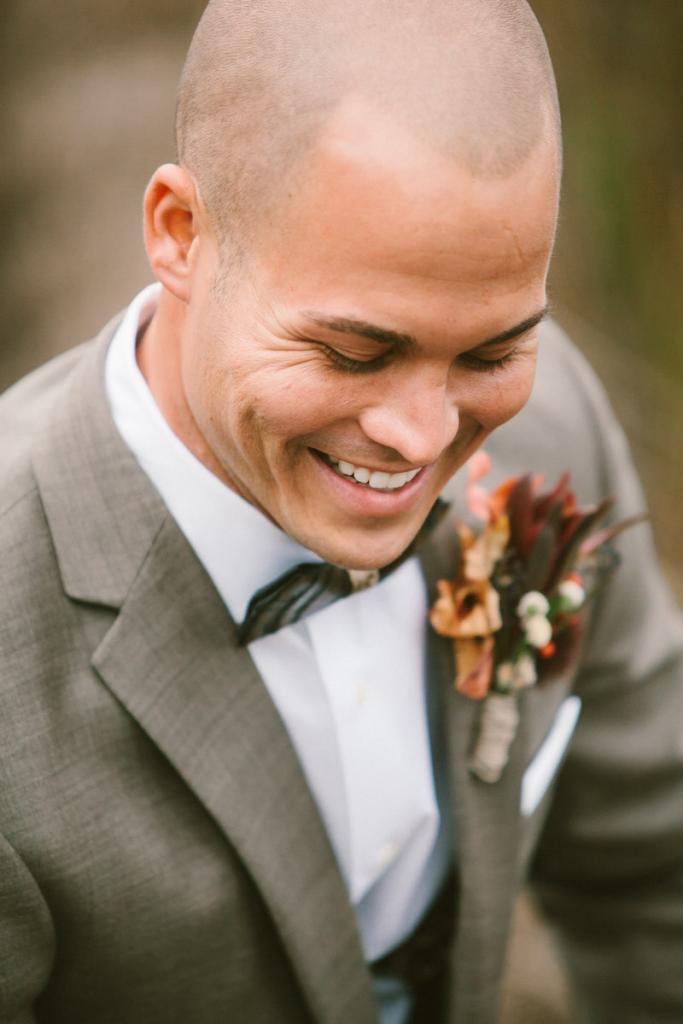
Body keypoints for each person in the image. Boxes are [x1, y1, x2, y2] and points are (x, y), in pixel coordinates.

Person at [1, 1, 682, 1022]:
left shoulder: (545, 436)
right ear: (180, 233)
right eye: (354, 352)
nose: (423, 438)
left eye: (490, 353)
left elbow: (652, 872)